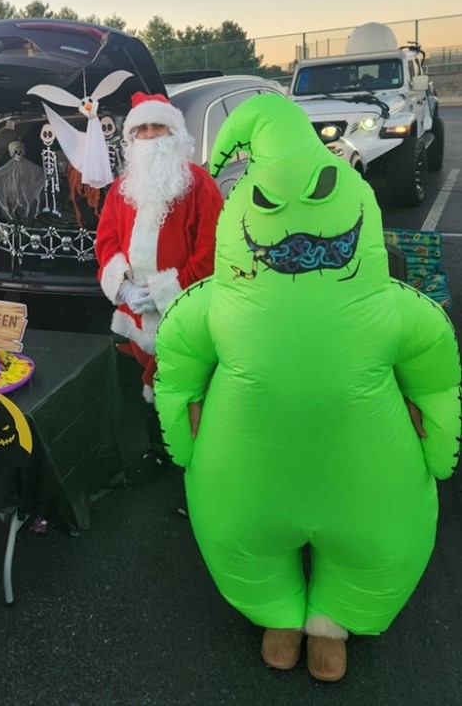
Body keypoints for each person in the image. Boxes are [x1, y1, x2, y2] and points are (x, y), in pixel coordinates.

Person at [154, 94, 461, 682]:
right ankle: (278, 610)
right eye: (270, 199)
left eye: (320, 189)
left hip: (350, 475)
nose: (293, 207)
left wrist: (441, 429)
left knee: (373, 541)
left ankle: (332, 618)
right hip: (261, 474)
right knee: (246, 532)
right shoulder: (221, 302)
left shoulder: (385, 305)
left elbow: (434, 366)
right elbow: (180, 361)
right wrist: (178, 420)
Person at [95, 92, 223, 403]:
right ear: (132, 138)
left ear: (174, 133)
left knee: (186, 392)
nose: (150, 135)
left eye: (158, 126)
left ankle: (178, 445)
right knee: (144, 392)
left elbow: (212, 252)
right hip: (136, 314)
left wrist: (166, 294)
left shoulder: (200, 185)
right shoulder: (121, 188)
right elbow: (106, 241)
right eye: (142, 129)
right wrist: (124, 289)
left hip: (185, 315)